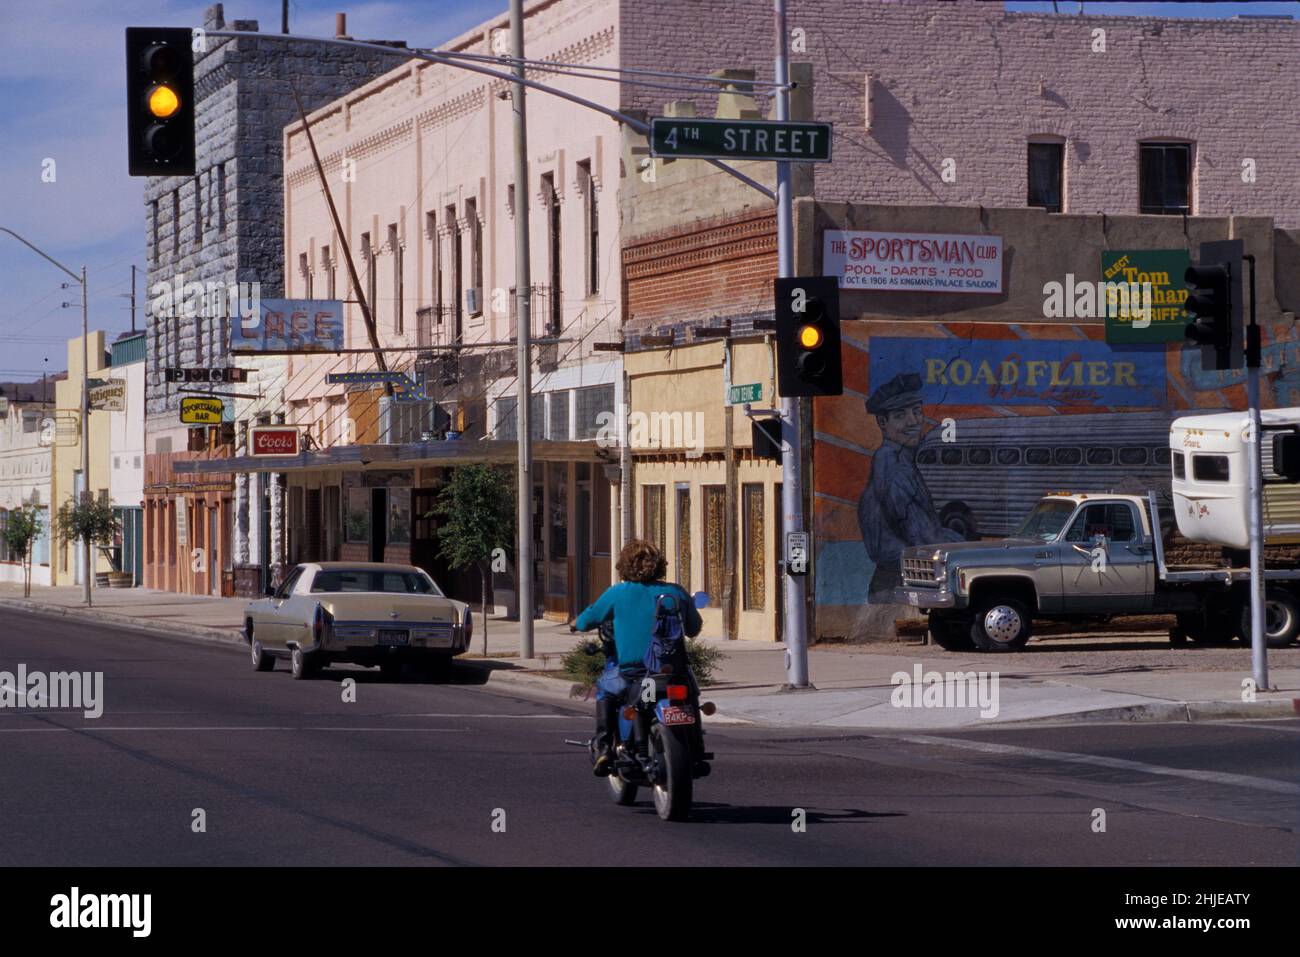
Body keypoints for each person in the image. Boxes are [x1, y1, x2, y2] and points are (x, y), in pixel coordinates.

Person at [572, 539, 702, 776]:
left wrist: (576, 623)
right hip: (673, 671)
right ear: (660, 564)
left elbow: (586, 620)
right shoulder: (676, 592)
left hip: (635, 672)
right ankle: (697, 748)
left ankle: (603, 747)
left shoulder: (617, 593)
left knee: (604, 687)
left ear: (624, 566)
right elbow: (694, 628)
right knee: (691, 693)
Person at [857, 372, 963, 603]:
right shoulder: (892, 465)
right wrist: (968, 548)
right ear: (882, 423)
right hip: (900, 584)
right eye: (900, 415)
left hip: (899, 581)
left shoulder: (901, 459)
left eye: (916, 411)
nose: (913, 421)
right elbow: (925, 538)